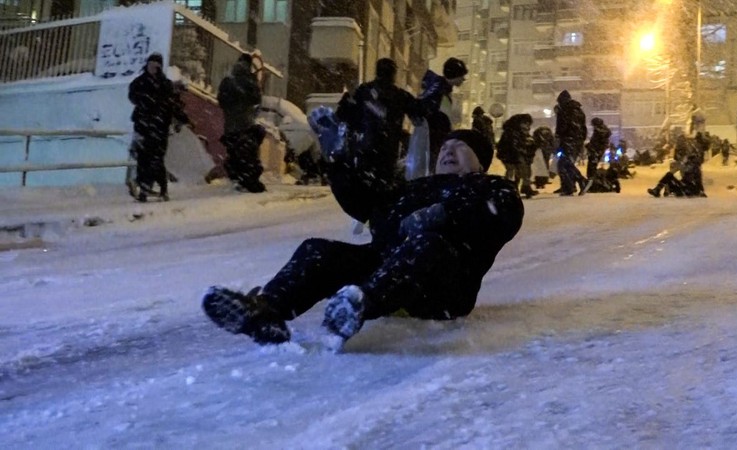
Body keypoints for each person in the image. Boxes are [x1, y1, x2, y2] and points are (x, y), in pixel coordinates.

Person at [202, 115, 524, 350]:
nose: (448, 150)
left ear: (480, 161)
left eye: (461, 146)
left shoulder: (489, 186)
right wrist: (338, 160)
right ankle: (267, 311)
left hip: (442, 289)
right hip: (387, 270)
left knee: (427, 245)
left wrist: (443, 213)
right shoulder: (414, 188)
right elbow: (367, 204)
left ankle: (355, 307)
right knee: (319, 250)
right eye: (445, 145)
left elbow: (504, 214)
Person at [336, 58, 441, 188]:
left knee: (363, 188)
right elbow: (420, 112)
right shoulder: (399, 95)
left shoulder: (363, 92)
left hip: (365, 150)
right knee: (384, 187)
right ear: (393, 74)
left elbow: (344, 115)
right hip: (387, 152)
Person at [127, 52, 190, 202]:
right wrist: (145, 100)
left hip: (159, 127)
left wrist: (182, 118)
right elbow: (132, 96)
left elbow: (172, 104)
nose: (152, 68)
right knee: (144, 158)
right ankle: (145, 187)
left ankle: (159, 188)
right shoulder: (140, 82)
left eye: (156, 65)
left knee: (156, 159)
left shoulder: (165, 84)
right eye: (150, 65)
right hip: (144, 125)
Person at [218, 53, 267, 193]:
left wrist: (231, 110)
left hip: (230, 125)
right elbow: (257, 100)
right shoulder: (250, 81)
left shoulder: (228, 81)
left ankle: (237, 179)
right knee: (248, 155)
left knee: (234, 153)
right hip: (246, 124)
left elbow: (221, 100)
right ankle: (246, 180)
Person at [419, 57, 469, 158]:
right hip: (433, 139)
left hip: (433, 138)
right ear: (455, 75)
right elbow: (437, 116)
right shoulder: (439, 90)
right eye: (462, 75)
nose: (464, 79)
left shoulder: (441, 88)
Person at [554, 90, 589, 196]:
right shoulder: (579, 111)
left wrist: (558, 136)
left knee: (563, 164)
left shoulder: (564, 110)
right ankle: (569, 186)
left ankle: (580, 181)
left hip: (568, 140)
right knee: (568, 163)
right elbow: (583, 127)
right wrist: (581, 140)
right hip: (577, 140)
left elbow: (562, 126)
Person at [497, 113, 537, 198]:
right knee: (513, 171)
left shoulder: (517, 130)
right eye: (526, 123)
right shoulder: (512, 131)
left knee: (520, 171)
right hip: (509, 154)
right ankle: (511, 188)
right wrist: (522, 149)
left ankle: (515, 188)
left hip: (512, 154)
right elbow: (512, 145)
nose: (527, 126)